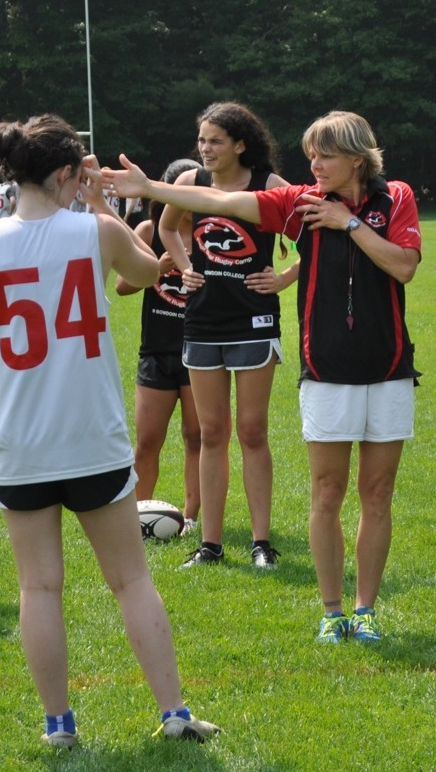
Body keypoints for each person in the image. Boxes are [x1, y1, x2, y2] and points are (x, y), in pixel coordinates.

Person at [105, 110, 422, 644]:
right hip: (325, 369)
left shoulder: (394, 198)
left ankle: (366, 610)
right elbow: (222, 201)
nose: (314, 165)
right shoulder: (298, 204)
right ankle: (332, 610)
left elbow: (404, 265)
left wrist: (347, 223)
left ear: (356, 158)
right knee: (327, 492)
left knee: (378, 491)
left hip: (389, 367)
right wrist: (151, 187)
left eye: (324, 155)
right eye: (311, 155)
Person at [0, 114, 220, 747]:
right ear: (69, 173)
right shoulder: (97, 230)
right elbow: (156, 272)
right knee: (132, 580)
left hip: (18, 440)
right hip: (90, 437)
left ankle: (59, 725)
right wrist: (106, 205)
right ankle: (174, 713)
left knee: (38, 586)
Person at [155, 102, 291, 571]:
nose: (205, 149)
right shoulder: (190, 183)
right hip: (203, 322)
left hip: (253, 319)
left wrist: (285, 277)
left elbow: (315, 234)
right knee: (212, 433)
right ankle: (210, 545)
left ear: (240, 144)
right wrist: (187, 266)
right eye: (201, 141)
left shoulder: (268, 186)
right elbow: (167, 226)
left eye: (215, 141)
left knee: (252, 431)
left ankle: (260, 543)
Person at [115, 158, 203, 534]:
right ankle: (137, 517)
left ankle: (194, 516)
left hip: (201, 348)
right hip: (156, 350)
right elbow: (122, 286)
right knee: (147, 440)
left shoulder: (209, 231)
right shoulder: (150, 230)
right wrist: (161, 269)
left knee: (197, 437)